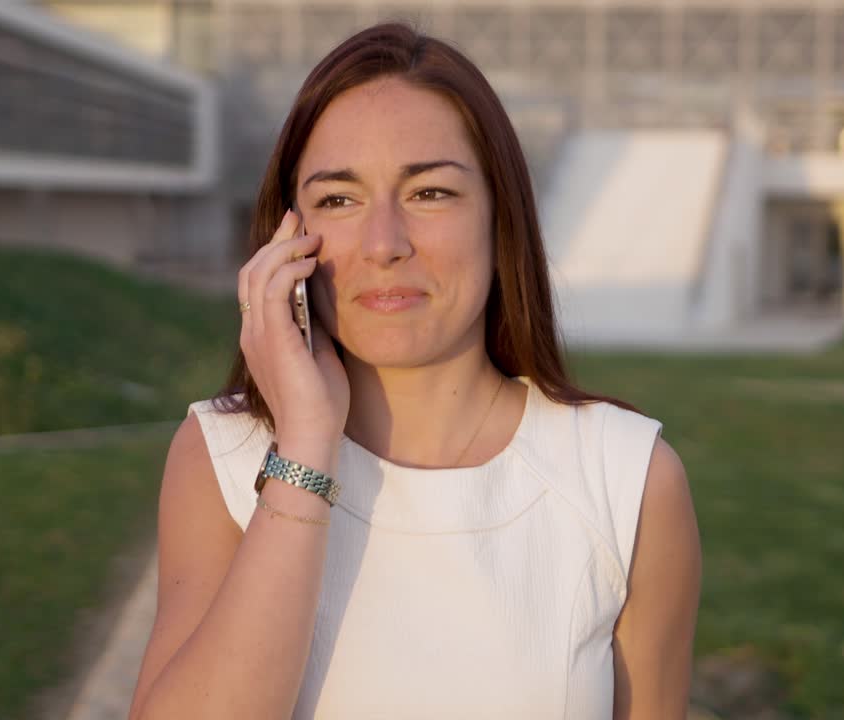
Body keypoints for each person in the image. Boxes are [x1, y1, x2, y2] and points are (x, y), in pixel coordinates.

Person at [128, 22, 700, 720]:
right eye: (339, 199)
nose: (383, 243)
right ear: (287, 237)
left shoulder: (627, 479)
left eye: (429, 193)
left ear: (501, 219)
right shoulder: (221, 458)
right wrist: (307, 442)